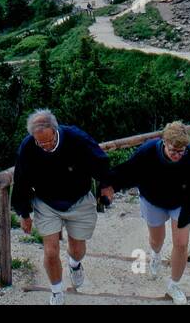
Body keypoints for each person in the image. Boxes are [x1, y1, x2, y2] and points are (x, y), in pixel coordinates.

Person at [11, 109, 115, 305]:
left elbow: (100, 160)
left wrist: (106, 185)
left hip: (79, 198)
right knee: (50, 251)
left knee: (77, 250)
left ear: (55, 130)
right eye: (41, 143)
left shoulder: (76, 137)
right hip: (46, 202)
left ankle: (75, 265)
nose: (46, 146)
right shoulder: (27, 147)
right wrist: (24, 213)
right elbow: (21, 181)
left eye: (49, 141)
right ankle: (57, 291)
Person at [110, 120, 190, 304]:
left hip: (180, 202)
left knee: (181, 243)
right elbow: (128, 171)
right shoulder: (147, 152)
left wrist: (188, 215)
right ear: (164, 142)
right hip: (152, 199)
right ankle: (155, 255)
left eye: (181, 151)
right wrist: (109, 185)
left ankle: (174, 285)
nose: (178, 155)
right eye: (173, 150)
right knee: (157, 239)